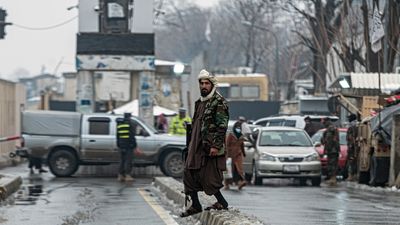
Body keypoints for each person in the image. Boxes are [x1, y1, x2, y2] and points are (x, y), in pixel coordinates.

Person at [180, 69, 229, 217]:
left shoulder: (218, 102)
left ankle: (222, 203)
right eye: (201, 83)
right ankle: (195, 205)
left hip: (209, 148)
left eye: (206, 83)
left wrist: (216, 145)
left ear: (212, 85)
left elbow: (222, 126)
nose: (203, 86)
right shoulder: (200, 103)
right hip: (195, 146)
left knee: (209, 178)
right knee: (189, 173)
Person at [224, 121, 247, 190]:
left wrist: (244, 153)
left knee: (239, 169)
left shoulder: (241, 135)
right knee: (229, 170)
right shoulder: (231, 135)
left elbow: (242, 145)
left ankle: (240, 182)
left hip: (238, 155)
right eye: (237, 128)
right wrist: (227, 154)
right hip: (230, 155)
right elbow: (227, 145)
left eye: (239, 128)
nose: (238, 129)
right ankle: (227, 184)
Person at [116, 112, 137, 182]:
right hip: (128, 145)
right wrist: (134, 145)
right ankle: (128, 175)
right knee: (128, 160)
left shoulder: (119, 124)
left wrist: (118, 144)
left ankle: (120, 176)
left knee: (122, 160)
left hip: (121, 145)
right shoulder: (130, 124)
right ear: (129, 117)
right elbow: (131, 136)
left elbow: (118, 136)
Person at [321, 117, 340, 186]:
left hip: (332, 150)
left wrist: (327, 149)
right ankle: (331, 178)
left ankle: (333, 179)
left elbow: (329, 141)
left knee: (332, 164)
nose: (323, 124)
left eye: (324, 123)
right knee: (331, 164)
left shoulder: (331, 129)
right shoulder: (330, 129)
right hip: (332, 150)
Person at [346, 114, 358, 181]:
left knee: (351, 161)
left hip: (352, 147)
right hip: (354, 146)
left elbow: (351, 137)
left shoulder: (352, 126)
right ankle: (354, 175)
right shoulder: (356, 125)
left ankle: (351, 176)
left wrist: (351, 146)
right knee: (354, 161)